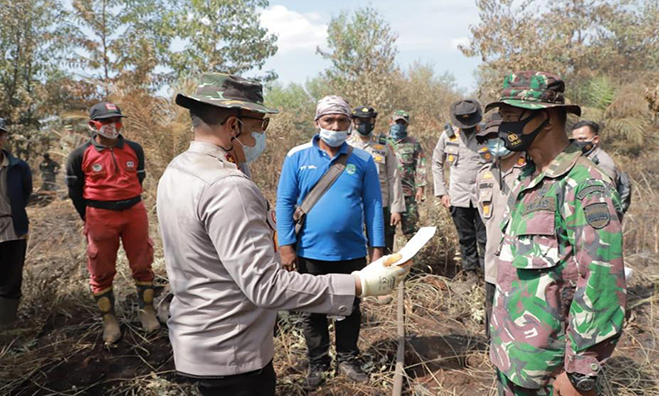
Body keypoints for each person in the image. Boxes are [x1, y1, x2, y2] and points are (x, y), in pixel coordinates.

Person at [157, 74, 409, 396]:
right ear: (234, 125)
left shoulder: (178, 170)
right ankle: (319, 361)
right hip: (233, 349)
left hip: (200, 339)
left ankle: (346, 357)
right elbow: (266, 287)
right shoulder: (228, 187)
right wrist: (360, 284)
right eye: (260, 125)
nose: (261, 135)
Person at [485, 71, 626, 395]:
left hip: (550, 375)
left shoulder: (585, 187)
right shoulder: (527, 179)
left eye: (510, 117)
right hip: (513, 360)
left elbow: (602, 282)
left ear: (545, 118)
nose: (503, 127)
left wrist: (580, 371)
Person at [276, 95, 386, 389]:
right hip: (309, 250)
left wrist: (377, 250)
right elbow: (285, 202)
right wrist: (286, 246)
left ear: (350, 124)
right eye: (329, 120)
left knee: (349, 307)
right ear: (317, 123)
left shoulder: (363, 160)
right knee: (312, 309)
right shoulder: (297, 156)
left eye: (342, 121)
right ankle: (318, 363)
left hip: (351, 251)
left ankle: (348, 358)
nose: (335, 126)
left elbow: (374, 205)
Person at [66, 101, 158, 344]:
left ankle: (146, 310)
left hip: (134, 211)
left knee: (142, 262)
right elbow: (75, 191)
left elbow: (140, 178)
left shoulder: (134, 149)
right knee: (101, 269)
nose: (112, 126)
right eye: (105, 122)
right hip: (99, 215)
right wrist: (89, 217)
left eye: (116, 120)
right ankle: (109, 319)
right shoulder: (79, 155)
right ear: (92, 125)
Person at [473, 113, 528, 341]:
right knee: (493, 324)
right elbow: (486, 219)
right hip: (493, 266)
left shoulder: (531, 174)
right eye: (489, 138)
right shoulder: (483, 176)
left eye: (499, 136)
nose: (494, 142)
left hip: (523, 266)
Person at [432, 99, 487, 280]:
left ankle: (488, 275)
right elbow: (437, 162)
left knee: (485, 238)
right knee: (466, 238)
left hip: (484, 196)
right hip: (458, 197)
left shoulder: (487, 133)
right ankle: (471, 273)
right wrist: (442, 192)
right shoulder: (448, 136)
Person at [348, 106, 405, 257]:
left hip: (381, 203)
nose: (365, 124)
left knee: (382, 245)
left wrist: (396, 208)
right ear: (354, 122)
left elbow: (393, 177)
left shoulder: (383, 146)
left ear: (373, 122)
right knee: (354, 244)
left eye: (368, 120)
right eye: (361, 121)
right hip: (354, 203)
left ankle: (382, 277)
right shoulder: (346, 145)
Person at [0, 118, 32, 328]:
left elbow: (25, 193)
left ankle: (6, 323)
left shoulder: (18, 167)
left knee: (11, 278)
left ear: (3, 138)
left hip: (13, 228)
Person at [388, 110, 427, 240]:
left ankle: (414, 259)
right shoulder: (382, 143)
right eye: (397, 122)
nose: (399, 125)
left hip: (407, 194)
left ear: (407, 125)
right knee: (387, 231)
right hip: (388, 194)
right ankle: (386, 259)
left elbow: (420, 165)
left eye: (402, 123)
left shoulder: (413, 143)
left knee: (411, 231)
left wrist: (421, 187)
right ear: (390, 122)